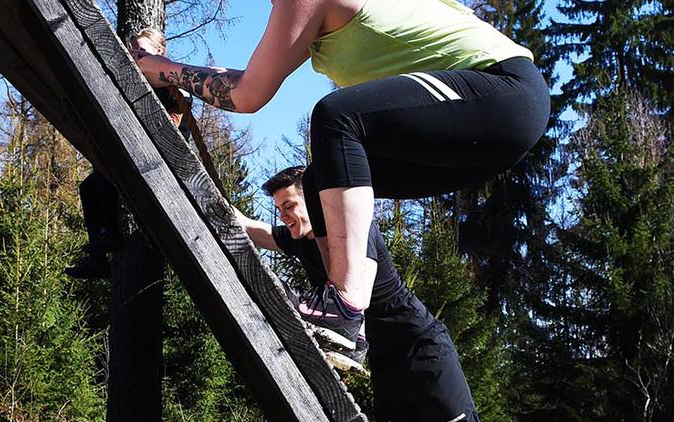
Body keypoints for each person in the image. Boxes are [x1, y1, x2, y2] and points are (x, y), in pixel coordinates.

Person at [132, 0, 550, 355]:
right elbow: (244, 80)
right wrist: (173, 70)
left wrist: (159, 68)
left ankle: (345, 306)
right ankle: (349, 325)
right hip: (488, 131)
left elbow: (247, 95)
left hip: (505, 92)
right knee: (320, 181)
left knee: (337, 117)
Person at [236, 166, 566, 422]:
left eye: (290, 206)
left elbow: (361, 291)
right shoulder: (299, 239)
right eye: (280, 209)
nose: (284, 216)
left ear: (315, 202)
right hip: (387, 365)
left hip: (424, 350)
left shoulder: (355, 232)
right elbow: (253, 229)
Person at [67, 28, 191, 278]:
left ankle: (120, 237)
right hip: (140, 148)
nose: (137, 56)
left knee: (109, 177)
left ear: (159, 51)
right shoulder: (132, 81)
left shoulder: (172, 81)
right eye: (133, 52)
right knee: (92, 185)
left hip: (166, 155)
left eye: (142, 51)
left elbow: (172, 124)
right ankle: (101, 250)